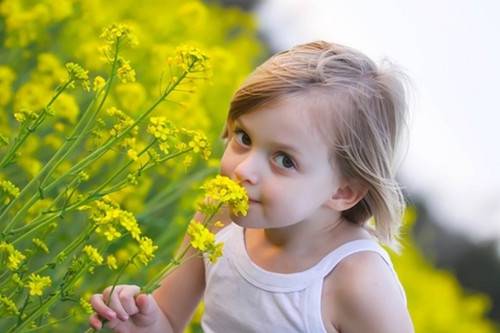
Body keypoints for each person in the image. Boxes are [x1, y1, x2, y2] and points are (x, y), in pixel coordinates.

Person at [89, 40, 414, 333]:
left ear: (342, 192)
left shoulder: (358, 283)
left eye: (284, 160)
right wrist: (143, 322)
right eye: (244, 138)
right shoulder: (218, 213)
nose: (244, 170)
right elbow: (170, 319)